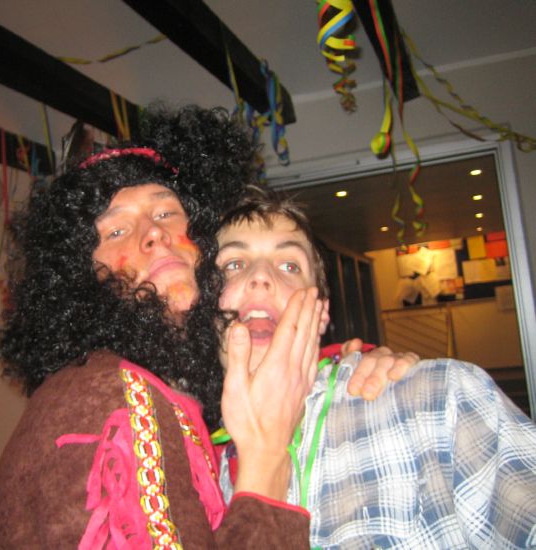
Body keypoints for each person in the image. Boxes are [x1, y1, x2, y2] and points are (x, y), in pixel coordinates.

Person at [0, 105, 413, 548]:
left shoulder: (188, 403)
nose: (154, 233)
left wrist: (347, 363)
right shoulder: (113, 398)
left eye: (166, 213)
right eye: (115, 231)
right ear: (79, 279)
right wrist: (265, 462)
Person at [215, 185, 536, 548]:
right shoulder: (195, 470)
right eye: (233, 264)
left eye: (290, 265)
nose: (260, 276)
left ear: (321, 312)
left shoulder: (440, 400)